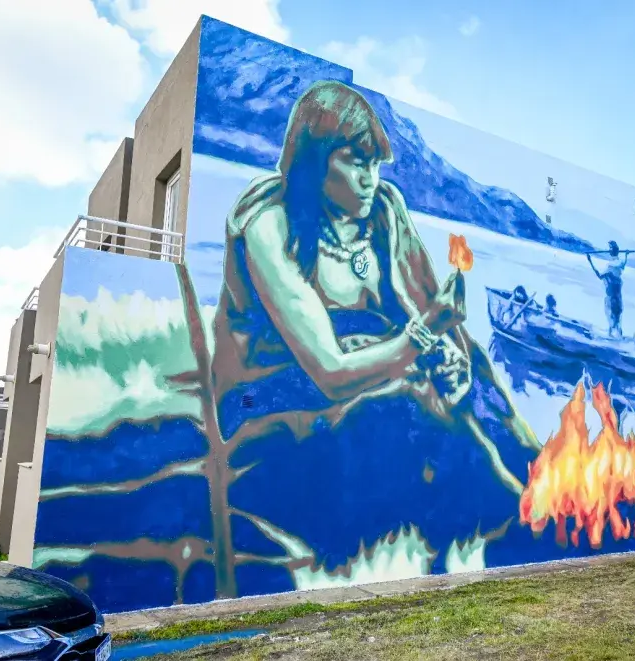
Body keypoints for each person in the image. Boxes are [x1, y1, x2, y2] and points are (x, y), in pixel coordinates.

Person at [209, 80, 545, 593]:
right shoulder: (270, 225)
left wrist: (449, 358)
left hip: (378, 367)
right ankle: (513, 524)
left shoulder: (384, 211)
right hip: (276, 398)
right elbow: (329, 371)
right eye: (355, 161)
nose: (369, 179)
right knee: (410, 405)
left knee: (468, 368)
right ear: (315, 159)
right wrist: (422, 339)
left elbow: (423, 307)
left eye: (376, 164)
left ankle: (540, 484)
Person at [587, 241, 629, 339]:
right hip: (618, 297)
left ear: (612, 251)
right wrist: (626, 255)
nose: (609, 250)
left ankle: (611, 336)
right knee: (617, 319)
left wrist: (590, 261)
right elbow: (624, 264)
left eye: (610, 248)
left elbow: (599, 275)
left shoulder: (610, 267)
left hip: (611, 297)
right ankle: (618, 336)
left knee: (611, 318)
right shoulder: (620, 265)